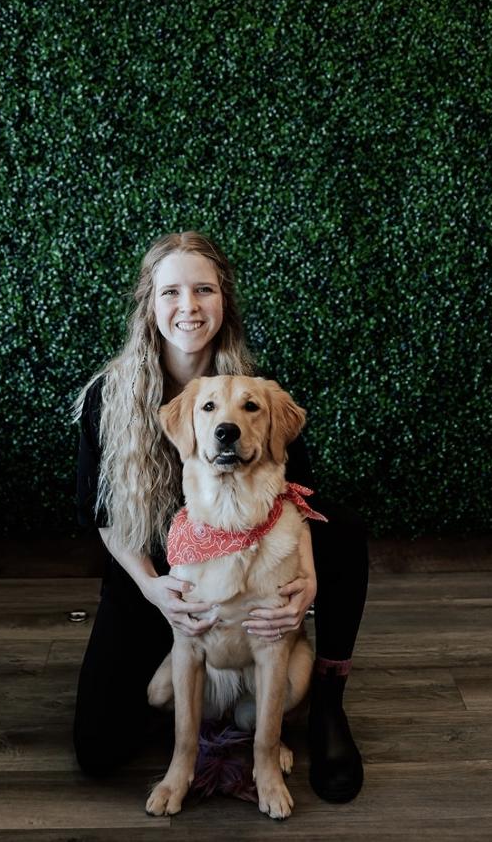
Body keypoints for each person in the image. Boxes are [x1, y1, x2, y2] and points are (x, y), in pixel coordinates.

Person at [73, 231, 368, 804]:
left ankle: (327, 702)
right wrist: (155, 589)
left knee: (347, 530)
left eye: (203, 290)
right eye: (172, 292)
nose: (189, 307)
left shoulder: (250, 386)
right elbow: (103, 514)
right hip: (155, 572)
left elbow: (299, 493)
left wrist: (303, 584)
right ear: (150, 304)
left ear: (223, 301)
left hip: (252, 548)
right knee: (99, 750)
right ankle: (205, 727)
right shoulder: (109, 396)